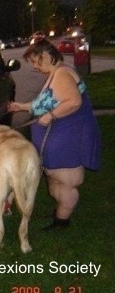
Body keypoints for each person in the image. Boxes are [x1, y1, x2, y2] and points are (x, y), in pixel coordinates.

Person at [7, 38, 101, 230]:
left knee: (67, 182)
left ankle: (62, 221)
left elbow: (74, 102)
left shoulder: (62, 74)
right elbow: (48, 101)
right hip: (58, 138)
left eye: (36, 61)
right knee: (56, 179)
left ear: (47, 56)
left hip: (69, 138)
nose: (34, 66)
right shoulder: (56, 73)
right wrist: (22, 107)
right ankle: (60, 210)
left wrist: (50, 116)